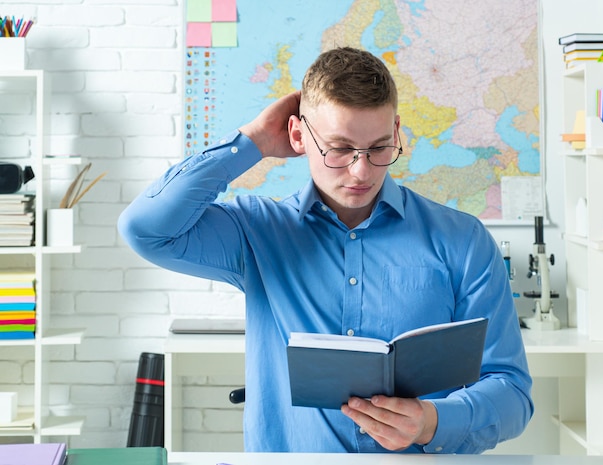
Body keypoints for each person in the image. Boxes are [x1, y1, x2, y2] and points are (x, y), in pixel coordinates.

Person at [118, 46, 533, 454]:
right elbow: (146, 229)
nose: (361, 170)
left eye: (379, 148)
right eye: (338, 149)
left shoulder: (462, 240)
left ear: (396, 133)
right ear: (299, 136)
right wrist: (255, 142)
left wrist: (432, 422)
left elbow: (512, 392)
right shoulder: (257, 231)